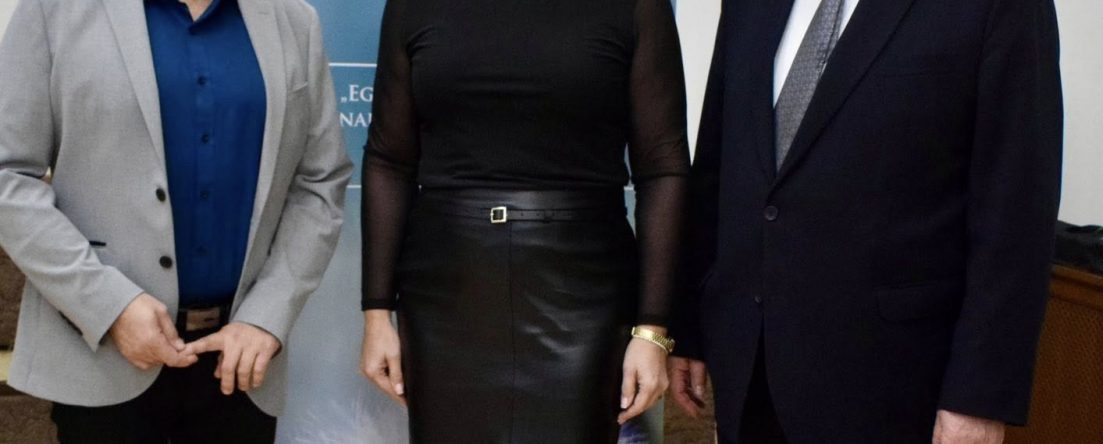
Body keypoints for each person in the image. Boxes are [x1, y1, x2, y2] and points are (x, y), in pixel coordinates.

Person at [668, 0, 1064, 443]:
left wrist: (979, 398)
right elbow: (718, 163)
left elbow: (1015, 211)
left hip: (892, 384)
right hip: (748, 366)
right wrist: (690, 327)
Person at [0, 0, 352, 441]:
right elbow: (9, 176)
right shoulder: (54, 10)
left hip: (240, 366)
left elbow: (320, 181)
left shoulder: (295, 20)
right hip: (101, 357)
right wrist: (108, 306)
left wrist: (268, 314)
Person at [357, 0, 689, 441]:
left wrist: (652, 329)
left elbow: (663, 168)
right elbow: (389, 160)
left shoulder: (636, 7)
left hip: (585, 297)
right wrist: (376, 313)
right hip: (446, 296)